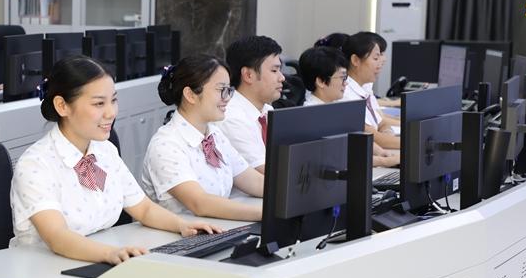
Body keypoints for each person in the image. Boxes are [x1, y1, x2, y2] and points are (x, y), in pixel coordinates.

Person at [4, 55, 221, 278]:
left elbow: (143, 208)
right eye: (98, 104)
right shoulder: (36, 164)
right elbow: (58, 237)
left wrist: (183, 226)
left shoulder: (104, 151)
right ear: (62, 106)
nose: (111, 113)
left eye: (113, 101)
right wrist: (110, 254)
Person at [142, 54, 265, 221]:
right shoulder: (166, 145)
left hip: (218, 228)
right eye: (221, 90)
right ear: (190, 95)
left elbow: (255, 182)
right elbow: (200, 203)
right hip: (178, 235)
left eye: (229, 90)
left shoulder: (215, 134)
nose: (227, 98)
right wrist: (265, 214)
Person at [300, 45, 399, 167]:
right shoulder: (313, 116)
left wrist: (382, 152)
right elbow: (340, 157)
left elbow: (356, 136)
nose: (345, 83)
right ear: (321, 81)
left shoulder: (335, 106)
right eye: (342, 78)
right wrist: (385, 161)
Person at [217, 35, 285, 173]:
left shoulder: (266, 109)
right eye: (274, 70)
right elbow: (267, 172)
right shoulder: (232, 116)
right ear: (248, 75)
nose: (282, 78)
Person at [341, 31, 400, 150]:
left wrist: (387, 130)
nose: (381, 62)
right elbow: (374, 137)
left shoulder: (365, 86)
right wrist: (419, 143)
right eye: (376, 58)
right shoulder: (344, 94)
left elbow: (381, 122)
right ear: (355, 60)